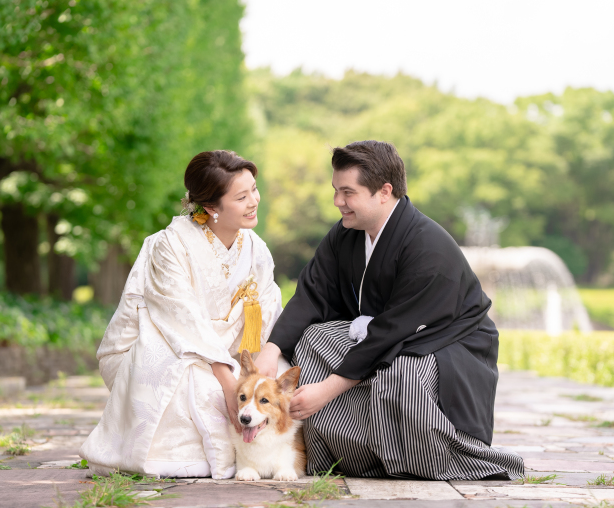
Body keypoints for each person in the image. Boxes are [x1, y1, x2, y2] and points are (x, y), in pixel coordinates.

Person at [255, 140, 524, 480]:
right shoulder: (346, 234)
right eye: (336, 191)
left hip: (447, 343)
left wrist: (327, 389)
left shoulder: (428, 248)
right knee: (314, 339)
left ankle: (422, 459)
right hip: (386, 335)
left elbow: (395, 329)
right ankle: (349, 454)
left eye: (348, 192)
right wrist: (273, 348)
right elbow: (312, 293)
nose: (338, 202)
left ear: (384, 191)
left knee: (400, 377)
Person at [80, 150, 283, 479]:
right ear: (212, 207)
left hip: (233, 350)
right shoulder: (170, 245)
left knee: (278, 381)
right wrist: (227, 376)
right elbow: (179, 315)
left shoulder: (256, 248)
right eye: (242, 196)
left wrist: (253, 368)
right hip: (167, 342)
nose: (254, 201)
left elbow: (268, 305)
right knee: (204, 389)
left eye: (254, 190)